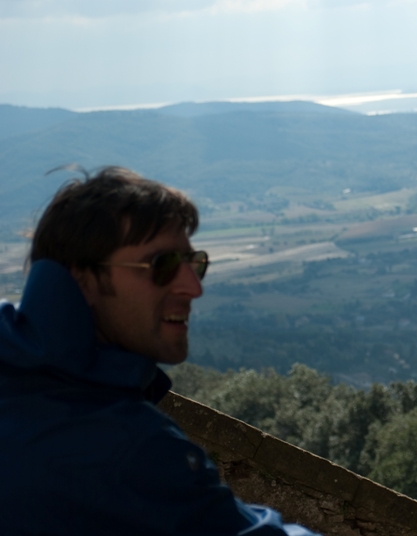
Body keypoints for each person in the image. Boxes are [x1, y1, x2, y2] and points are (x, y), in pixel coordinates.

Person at [0, 167, 319, 535]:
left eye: (194, 263)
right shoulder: (127, 448)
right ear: (83, 279)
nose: (192, 288)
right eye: (162, 265)